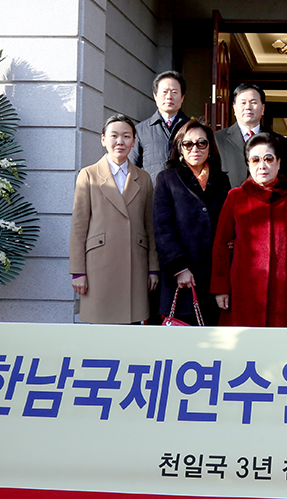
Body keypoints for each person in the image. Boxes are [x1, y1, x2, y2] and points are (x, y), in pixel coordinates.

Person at [211, 131, 287, 326]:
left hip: (286, 289)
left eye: (268, 159)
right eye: (255, 160)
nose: (262, 165)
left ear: (278, 163)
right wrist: (221, 287)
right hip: (243, 290)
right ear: (248, 165)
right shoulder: (235, 197)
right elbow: (221, 244)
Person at [70, 113, 158, 324]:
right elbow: (79, 226)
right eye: (114, 136)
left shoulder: (143, 177)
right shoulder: (89, 175)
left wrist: (153, 267)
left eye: (127, 136)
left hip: (135, 262)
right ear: (103, 140)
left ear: (134, 142)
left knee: (131, 330)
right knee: (101, 332)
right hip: (98, 264)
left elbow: (150, 225)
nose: (120, 142)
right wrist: (77, 271)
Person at [153, 121, 230, 326]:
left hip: (214, 274)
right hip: (183, 275)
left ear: (210, 147)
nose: (195, 149)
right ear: (179, 148)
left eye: (201, 143)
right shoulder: (166, 179)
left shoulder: (222, 181)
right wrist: (179, 268)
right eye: (188, 144)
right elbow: (162, 228)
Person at [218, 82, 287, 189]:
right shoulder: (217, 139)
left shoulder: (279, 142)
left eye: (253, 102)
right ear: (234, 109)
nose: (248, 107)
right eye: (243, 103)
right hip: (229, 202)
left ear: (263, 108)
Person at [131, 71, 192, 181]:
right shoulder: (140, 130)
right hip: (152, 195)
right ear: (155, 96)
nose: (169, 97)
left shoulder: (193, 129)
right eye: (164, 92)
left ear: (182, 98)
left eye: (174, 92)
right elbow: (132, 167)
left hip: (185, 195)